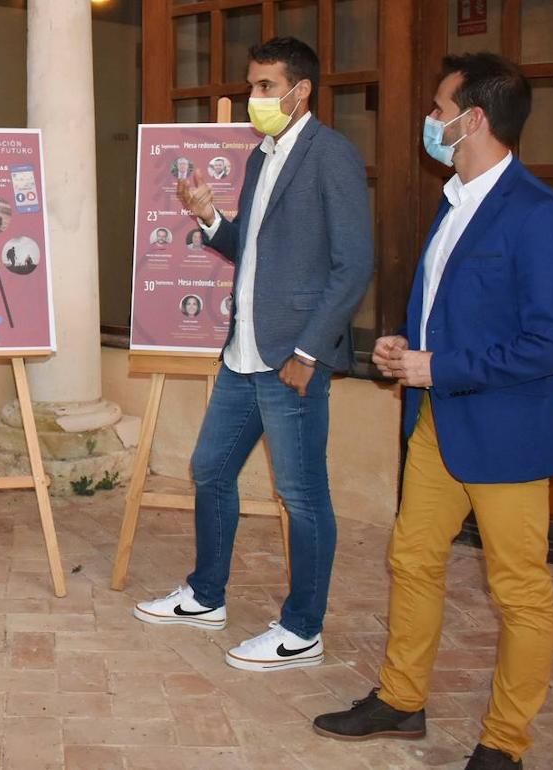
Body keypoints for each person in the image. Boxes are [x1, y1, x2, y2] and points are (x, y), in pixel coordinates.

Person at [313, 53, 553, 770]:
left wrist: (442, 366)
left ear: (474, 119)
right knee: (411, 560)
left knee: (518, 590)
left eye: (438, 109)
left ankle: (504, 742)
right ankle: (401, 699)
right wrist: (407, 345)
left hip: (505, 433)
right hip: (437, 423)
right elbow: (454, 309)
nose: (429, 121)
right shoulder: (455, 200)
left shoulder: (539, 215)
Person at [133, 37, 373, 674]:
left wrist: (308, 352)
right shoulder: (261, 157)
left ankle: (302, 630)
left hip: (291, 359)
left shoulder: (331, 155)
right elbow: (257, 251)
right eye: (252, 86)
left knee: (302, 496)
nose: (253, 98)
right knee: (210, 469)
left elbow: (352, 266)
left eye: (265, 86)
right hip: (242, 353)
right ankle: (205, 596)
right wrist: (210, 218)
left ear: (301, 91)